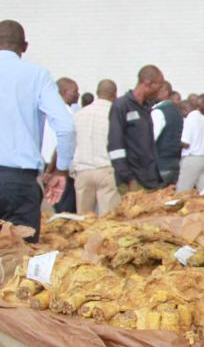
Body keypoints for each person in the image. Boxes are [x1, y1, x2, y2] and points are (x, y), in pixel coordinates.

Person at [0, 19, 74, 241]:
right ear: (25, 46)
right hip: (18, 182)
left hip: (18, 179)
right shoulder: (37, 75)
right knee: (20, 254)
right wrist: (61, 170)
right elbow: (66, 126)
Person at [108, 65, 164, 191]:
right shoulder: (121, 106)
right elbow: (115, 145)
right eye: (158, 86)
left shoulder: (146, 107)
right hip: (132, 181)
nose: (159, 91)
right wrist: (127, 177)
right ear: (147, 83)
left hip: (151, 178)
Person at [71, 79, 121, 215]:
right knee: (108, 218)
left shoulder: (79, 114)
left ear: (97, 92)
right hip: (106, 168)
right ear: (115, 94)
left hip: (83, 169)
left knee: (84, 218)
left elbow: (72, 141)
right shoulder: (114, 113)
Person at [46, 77, 80, 213]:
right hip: (59, 166)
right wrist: (57, 170)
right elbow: (63, 142)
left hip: (46, 165)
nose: (78, 95)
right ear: (65, 92)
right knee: (64, 209)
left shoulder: (46, 109)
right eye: (75, 91)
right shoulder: (66, 112)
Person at [176, 94, 204, 193]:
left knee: (182, 192)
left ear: (184, 110)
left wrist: (176, 144)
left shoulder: (190, 119)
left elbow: (186, 143)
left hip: (192, 159)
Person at [152, 81, 184, 187]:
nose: (153, 92)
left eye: (156, 90)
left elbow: (151, 139)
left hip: (161, 164)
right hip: (176, 163)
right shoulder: (178, 111)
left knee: (158, 196)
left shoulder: (158, 112)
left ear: (165, 92)